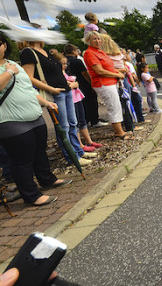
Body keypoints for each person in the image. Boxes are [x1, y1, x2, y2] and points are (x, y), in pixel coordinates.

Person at [0, 34, 71, 206]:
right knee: (21, 159)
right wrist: (9, 72)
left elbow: (28, 88)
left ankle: (46, 179)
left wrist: (45, 102)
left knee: (39, 151)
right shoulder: (12, 68)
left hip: (34, 116)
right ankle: (31, 195)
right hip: (10, 121)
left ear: (4, 45)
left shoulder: (14, 64)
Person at [20, 40, 92, 167]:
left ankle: (78, 151)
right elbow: (28, 77)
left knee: (72, 122)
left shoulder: (45, 51)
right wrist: (51, 89)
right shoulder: (28, 52)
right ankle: (72, 156)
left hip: (65, 89)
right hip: (55, 92)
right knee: (63, 126)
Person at [83, 31, 131, 140]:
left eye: (99, 38)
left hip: (110, 81)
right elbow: (99, 71)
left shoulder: (100, 51)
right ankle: (119, 132)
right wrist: (117, 74)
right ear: (88, 41)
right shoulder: (90, 53)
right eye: (94, 39)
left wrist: (118, 72)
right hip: (103, 83)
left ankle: (118, 130)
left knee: (116, 105)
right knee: (113, 106)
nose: (98, 41)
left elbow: (108, 68)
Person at [54, 52, 102, 152]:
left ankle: (89, 140)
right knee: (74, 122)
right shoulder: (58, 75)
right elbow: (67, 85)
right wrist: (73, 84)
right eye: (62, 64)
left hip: (77, 97)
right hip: (71, 99)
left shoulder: (65, 73)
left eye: (65, 64)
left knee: (82, 120)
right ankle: (79, 144)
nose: (65, 66)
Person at [64, 44, 106, 129]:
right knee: (91, 101)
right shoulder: (77, 61)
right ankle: (94, 120)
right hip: (83, 83)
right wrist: (91, 83)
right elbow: (84, 73)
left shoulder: (65, 61)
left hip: (72, 84)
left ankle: (85, 120)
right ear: (73, 51)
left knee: (81, 103)